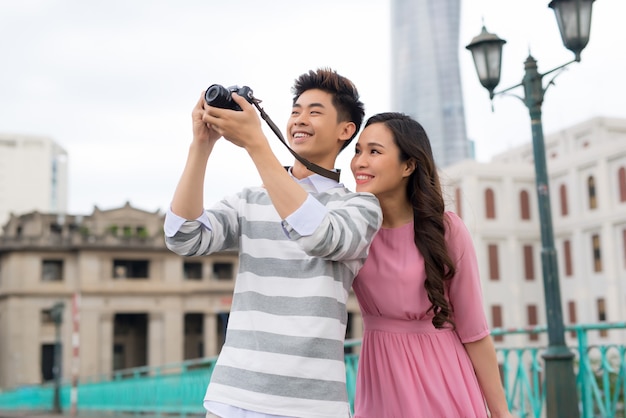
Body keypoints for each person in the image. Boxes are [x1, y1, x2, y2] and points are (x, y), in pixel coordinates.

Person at [164, 68, 382, 418]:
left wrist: (256, 144)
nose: (300, 120)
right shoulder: (251, 198)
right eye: (295, 111)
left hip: (311, 406)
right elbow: (182, 238)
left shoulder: (359, 206)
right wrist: (200, 147)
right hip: (231, 399)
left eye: (314, 112)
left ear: (346, 130)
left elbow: (320, 236)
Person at [349, 112, 513, 418]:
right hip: (380, 383)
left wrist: (501, 413)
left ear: (408, 165)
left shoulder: (446, 230)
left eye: (374, 151)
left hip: (443, 380)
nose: (359, 162)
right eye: (357, 151)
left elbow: (474, 331)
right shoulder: (354, 229)